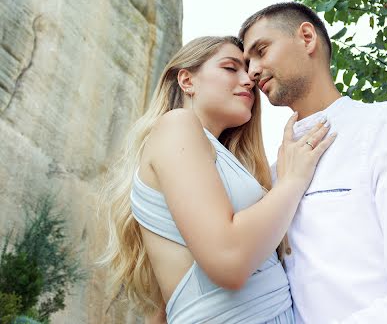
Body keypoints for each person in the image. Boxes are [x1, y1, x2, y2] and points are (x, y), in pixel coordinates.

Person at [100, 36, 336, 323]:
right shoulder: (178, 125)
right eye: (230, 68)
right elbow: (229, 261)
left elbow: (169, 305)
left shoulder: (216, 160)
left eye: (248, 72)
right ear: (187, 81)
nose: (249, 80)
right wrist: (292, 180)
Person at [240, 2, 387, 324]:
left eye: (261, 50)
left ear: (307, 37)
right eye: (246, 63)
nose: (252, 71)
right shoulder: (272, 176)